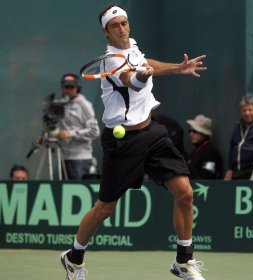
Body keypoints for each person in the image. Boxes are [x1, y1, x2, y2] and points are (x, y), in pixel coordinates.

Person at [60, 5, 207, 280]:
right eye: (115, 26)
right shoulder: (111, 61)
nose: (122, 29)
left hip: (152, 131)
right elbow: (133, 80)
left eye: (124, 23)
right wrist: (143, 75)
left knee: (185, 193)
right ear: (106, 32)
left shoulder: (132, 47)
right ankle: (73, 257)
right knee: (105, 208)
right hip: (123, 141)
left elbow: (144, 61)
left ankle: (183, 261)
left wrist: (178, 68)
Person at [57, 73, 100, 180]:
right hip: (64, 157)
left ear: (77, 88)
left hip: (80, 159)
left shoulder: (84, 105)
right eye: (66, 87)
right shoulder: (61, 105)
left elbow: (95, 131)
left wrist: (70, 134)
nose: (68, 90)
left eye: (71, 87)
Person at [224, 96, 253, 180]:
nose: (247, 113)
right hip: (236, 173)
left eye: (250, 110)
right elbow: (232, 148)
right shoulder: (238, 126)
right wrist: (229, 169)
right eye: (244, 110)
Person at [186, 114, 223, 179]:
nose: (191, 134)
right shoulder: (193, 153)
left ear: (204, 133)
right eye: (190, 131)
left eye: (195, 131)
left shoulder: (210, 152)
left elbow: (208, 175)